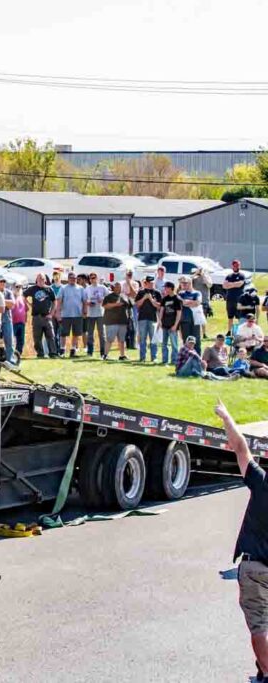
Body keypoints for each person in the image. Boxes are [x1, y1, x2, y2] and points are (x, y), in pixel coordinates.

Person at [213, 399, 268, 682]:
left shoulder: (262, 481)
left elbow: (240, 446)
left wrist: (226, 416)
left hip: (255, 566)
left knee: (259, 623)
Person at [24, 273, 56, 359]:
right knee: (37, 338)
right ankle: (40, 354)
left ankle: (53, 353)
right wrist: (29, 304)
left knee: (51, 336)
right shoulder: (33, 289)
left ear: (45, 280)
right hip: (36, 317)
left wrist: (51, 314)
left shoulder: (49, 289)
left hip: (47, 317)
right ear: (36, 280)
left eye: (42, 279)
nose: (41, 280)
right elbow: (23, 295)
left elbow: (54, 302)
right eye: (39, 279)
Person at [55, 272, 85, 357]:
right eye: (71, 278)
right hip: (65, 315)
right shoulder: (63, 288)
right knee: (63, 334)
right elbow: (59, 301)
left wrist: (85, 310)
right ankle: (62, 350)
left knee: (76, 334)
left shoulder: (81, 288)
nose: (73, 279)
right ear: (68, 279)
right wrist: (58, 313)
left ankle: (73, 350)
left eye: (75, 278)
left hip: (77, 315)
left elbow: (84, 301)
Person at [135, 276, 162, 363]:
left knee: (153, 338)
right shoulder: (141, 292)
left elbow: (159, 306)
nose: (151, 284)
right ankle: (142, 357)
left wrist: (150, 299)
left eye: (152, 283)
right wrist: (144, 298)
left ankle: (154, 357)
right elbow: (137, 305)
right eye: (150, 283)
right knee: (142, 338)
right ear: (145, 283)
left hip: (153, 318)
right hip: (142, 318)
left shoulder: (157, 293)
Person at [83, 272, 109, 358]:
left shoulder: (102, 287)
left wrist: (103, 300)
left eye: (94, 277)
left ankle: (103, 352)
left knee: (102, 334)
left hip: (100, 313)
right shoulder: (87, 289)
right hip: (91, 314)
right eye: (91, 278)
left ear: (97, 278)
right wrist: (88, 303)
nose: (92, 279)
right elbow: (84, 300)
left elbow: (109, 297)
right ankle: (90, 352)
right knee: (90, 334)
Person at [102, 281, 130, 361]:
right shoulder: (109, 296)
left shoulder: (124, 296)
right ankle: (105, 355)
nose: (118, 288)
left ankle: (122, 355)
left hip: (122, 321)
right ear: (113, 288)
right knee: (110, 339)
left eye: (120, 287)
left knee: (122, 340)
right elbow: (105, 306)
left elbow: (128, 306)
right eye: (117, 286)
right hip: (111, 321)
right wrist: (116, 304)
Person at [177, 276, 205, 353]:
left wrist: (187, 302)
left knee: (196, 339)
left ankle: (198, 357)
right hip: (185, 319)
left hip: (195, 319)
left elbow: (197, 303)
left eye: (185, 283)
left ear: (190, 283)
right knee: (186, 339)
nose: (183, 285)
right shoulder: (181, 293)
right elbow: (182, 302)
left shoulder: (197, 293)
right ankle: (186, 356)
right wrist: (189, 302)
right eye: (182, 283)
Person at [159, 282, 182, 365]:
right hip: (165, 324)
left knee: (174, 344)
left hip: (173, 325)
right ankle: (164, 360)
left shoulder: (177, 299)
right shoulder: (164, 299)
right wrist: (160, 321)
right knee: (164, 344)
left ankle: (174, 360)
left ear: (170, 288)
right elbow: (161, 310)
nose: (165, 289)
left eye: (166, 288)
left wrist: (175, 325)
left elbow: (179, 313)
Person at [225, 259, 248, 330]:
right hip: (230, 299)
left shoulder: (242, 275)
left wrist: (230, 284)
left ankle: (241, 331)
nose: (235, 267)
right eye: (234, 266)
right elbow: (224, 285)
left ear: (239, 266)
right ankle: (229, 331)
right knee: (230, 317)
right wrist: (235, 284)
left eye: (237, 266)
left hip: (239, 300)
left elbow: (240, 284)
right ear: (232, 266)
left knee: (239, 317)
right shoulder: (229, 276)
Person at [11, 283, 27, 359]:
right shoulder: (11, 297)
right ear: (13, 287)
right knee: (12, 340)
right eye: (17, 287)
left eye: (20, 287)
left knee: (21, 341)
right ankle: (12, 355)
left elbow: (26, 309)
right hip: (13, 322)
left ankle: (18, 355)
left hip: (22, 322)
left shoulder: (22, 298)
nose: (19, 288)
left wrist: (25, 320)